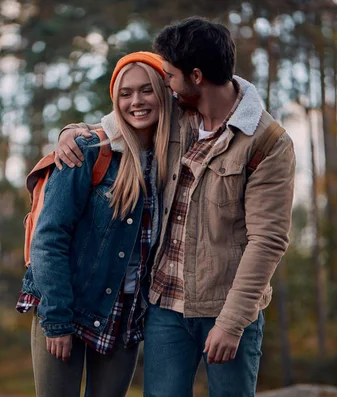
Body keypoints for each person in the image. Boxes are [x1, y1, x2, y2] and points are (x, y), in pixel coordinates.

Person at [56, 17, 296, 397]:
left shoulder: (267, 143)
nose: (164, 82)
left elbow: (267, 241)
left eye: (169, 74)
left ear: (196, 76)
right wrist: (72, 132)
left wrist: (232, 323)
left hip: (228, 309)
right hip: (164, 308)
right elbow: (124, 119)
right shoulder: (176, 115)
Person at [16, 51, 173, 397]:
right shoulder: (88, 150)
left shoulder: (171, 161)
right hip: (68, 300)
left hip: (126, 312)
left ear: (164, 94)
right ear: (115, 100)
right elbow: (48, 238)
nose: (137, 101)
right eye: (126, 93)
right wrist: (57, 320)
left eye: (147, 91)